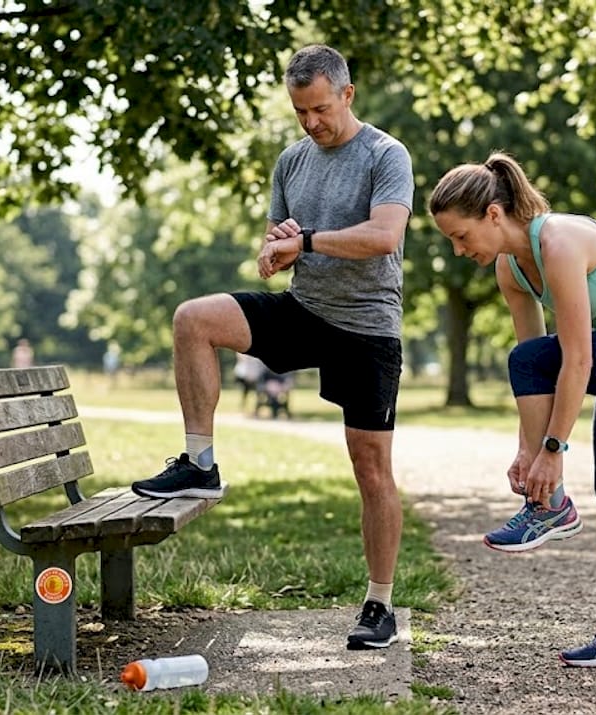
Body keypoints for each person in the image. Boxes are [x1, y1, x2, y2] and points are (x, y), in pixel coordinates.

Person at [130, 44, 414, 651]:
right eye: (300, 112)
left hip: (367, 326)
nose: (311, 123)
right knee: (193, 320)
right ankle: (199, 464)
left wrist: (305, 241)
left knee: (371, 469)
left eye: (319, 109)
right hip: (304, 310)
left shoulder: (385, 155)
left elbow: (385, 236)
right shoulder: (291, 162)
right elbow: (272, 253)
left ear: (347, 94)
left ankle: (379, 603)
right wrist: (273, 250)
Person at [427, 152, 596, 667]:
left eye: (461, 235)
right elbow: (535, 375)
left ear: (493, 213)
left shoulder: (558, 241)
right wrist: (525, 451)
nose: (458, 249)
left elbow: (575, 359)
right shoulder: (511, 270)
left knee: (533, 359)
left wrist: (551, 455)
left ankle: (550, 504)